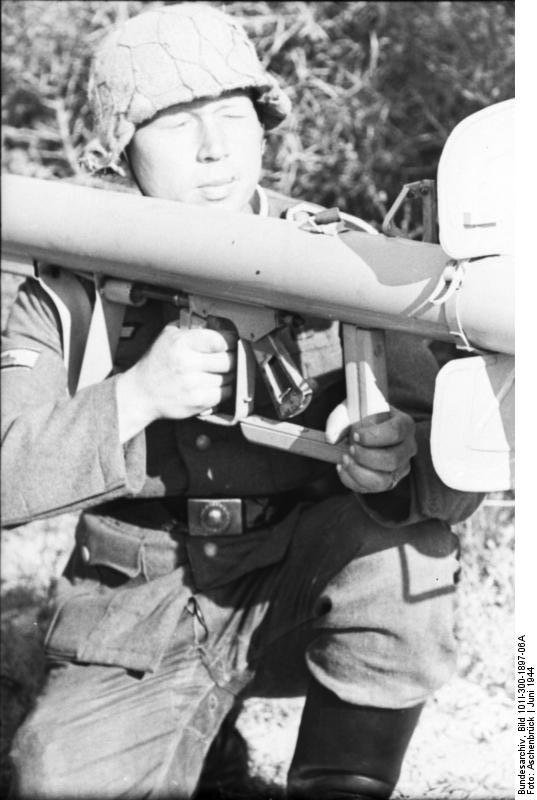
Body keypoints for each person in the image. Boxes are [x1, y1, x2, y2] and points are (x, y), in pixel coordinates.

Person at [2, 4, 482, 799]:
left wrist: (399, 457)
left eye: (232, 117)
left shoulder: (346, 259)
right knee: (57, 782)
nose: (213, 148)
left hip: (300, 583)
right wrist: (135, 396)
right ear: (121, 148)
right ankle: (200, 735)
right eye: (176, 122)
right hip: (139, 604)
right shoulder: (64, 288)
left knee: (398, 549)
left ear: (263, 130)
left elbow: (457, 476)